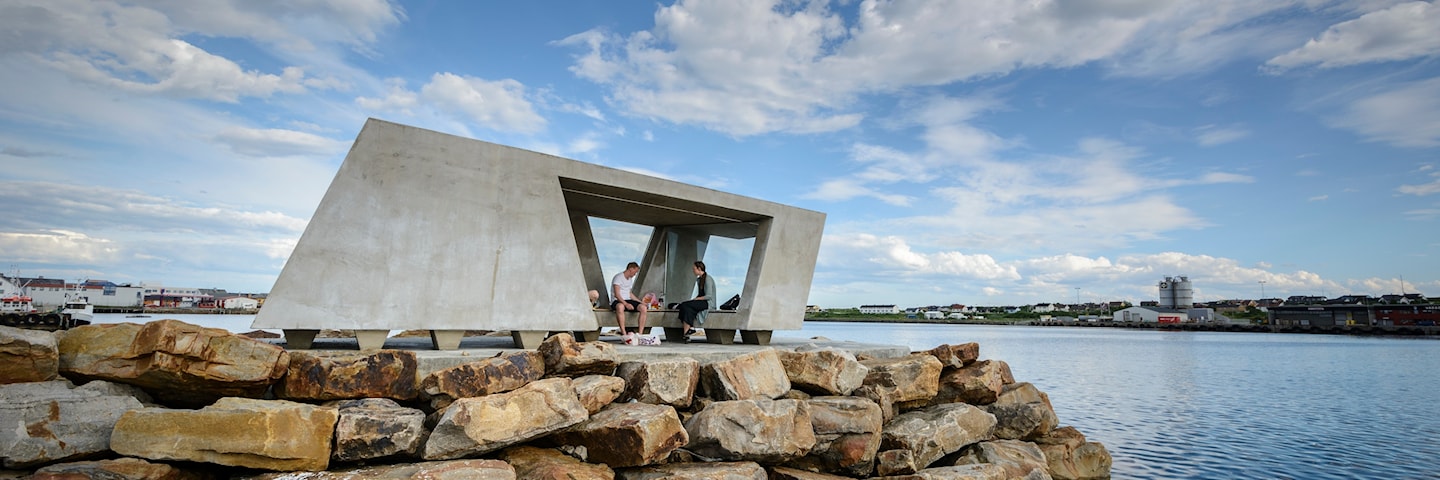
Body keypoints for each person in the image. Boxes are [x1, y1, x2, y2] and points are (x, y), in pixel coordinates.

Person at [676, 260, 717, 342]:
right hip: (702, 301)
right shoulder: (699, 280)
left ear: (699, 269)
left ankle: (678, 306)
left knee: (684, 305)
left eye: (694, 269)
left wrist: (696, 299)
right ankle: (686, 333)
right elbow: (700, 294)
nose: (693, 271)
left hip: (708, 303)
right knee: (688, 309)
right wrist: (695, 300)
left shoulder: (708, 279)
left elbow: (708, 296)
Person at [611, 261, 648, 345]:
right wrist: (625, 304)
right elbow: (617, 294)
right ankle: (624, 333)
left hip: (628, 299)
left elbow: (630, 294)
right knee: (620, 307)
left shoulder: (630, 279)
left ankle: (640, 334)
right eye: (635, 271)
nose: (635, 274)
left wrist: (640, 302)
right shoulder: (618, 277)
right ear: (631, 269)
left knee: (643, 308)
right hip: (618, 300)